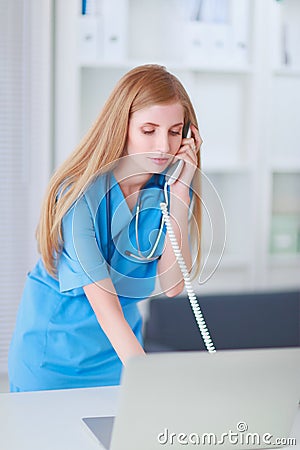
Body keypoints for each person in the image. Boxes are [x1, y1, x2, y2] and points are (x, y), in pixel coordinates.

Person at [8, 64, 202, 392]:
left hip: (118, 355)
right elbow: (106, 307)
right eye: (148, 130)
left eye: (174, 131)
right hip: (55, 356)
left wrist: (181, 190)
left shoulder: (167, 189)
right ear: (121, 127)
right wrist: (150, 382)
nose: (164, 146)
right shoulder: (78, 195)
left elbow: (172, 285)